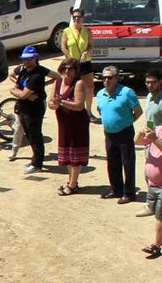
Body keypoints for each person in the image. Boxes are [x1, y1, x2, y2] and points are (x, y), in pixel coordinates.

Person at [94, 66, 143, 204]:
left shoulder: (127, 92)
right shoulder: (100, 94)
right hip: (109, 133)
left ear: (117, 78)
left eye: (110, 77)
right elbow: (100, 110)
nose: (106, 80)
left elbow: (138, 111)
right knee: (112, 163)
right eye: (104, 77)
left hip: (125, 132)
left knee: (127, 163)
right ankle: (117, 190)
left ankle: (129, 193)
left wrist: (127, 122)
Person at [9, 46, 54, 174]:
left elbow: (23, 94)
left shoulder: (37, 75)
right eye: (25, 59)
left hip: (34, 110)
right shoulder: (24, 71)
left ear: (35, 59)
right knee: (29, 135)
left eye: (29, 59)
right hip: (23, 108)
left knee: (35, 136)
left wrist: (15, 91)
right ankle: (35, 160)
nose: (27, 61)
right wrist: (17, 91)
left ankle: (37, 164)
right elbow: (19, 88)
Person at [48, 59, 90, 195]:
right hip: (64, 123)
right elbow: (50, 103)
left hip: (77, 123)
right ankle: (71, 181)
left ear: (76, 70)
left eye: (71, 68)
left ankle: (72, 184)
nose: (67, 71)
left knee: (75, 154)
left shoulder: (79, 83)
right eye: (65, 68)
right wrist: (54, 104)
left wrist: (61, 102)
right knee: (66, 153)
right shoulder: (57, 82)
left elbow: (79, 105)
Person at [60, 8, 94, 119]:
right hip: (72, 64)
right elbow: (63, 46)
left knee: (90, 87)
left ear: (83, 18)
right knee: (72, 87)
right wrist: (70, 58)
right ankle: (74, 109)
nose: (76, 19)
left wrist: (86, 52)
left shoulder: (87, 31)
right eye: (74, 17)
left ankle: (88, 112)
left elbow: (90, 45)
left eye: (78, 17)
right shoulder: (67, 31)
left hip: (85, 62)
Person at [137, 119, 162, 257]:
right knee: (157, 214)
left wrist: (155, 140)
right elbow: (138, 142)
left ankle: (156, 246)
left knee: (160, 216)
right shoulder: (158, 129)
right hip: (153, 184)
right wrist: (141, 134)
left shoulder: (156, 134)